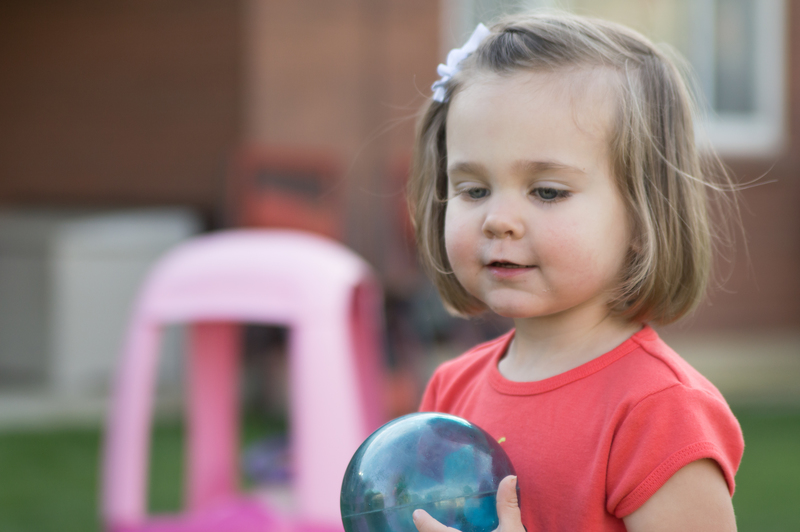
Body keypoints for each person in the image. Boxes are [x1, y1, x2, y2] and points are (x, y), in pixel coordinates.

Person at [407, 12, 744, 532]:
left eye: (547, 191)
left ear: (643, 215)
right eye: (474, 190)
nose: (498, 219)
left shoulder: (659, 412)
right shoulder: (449, 392)